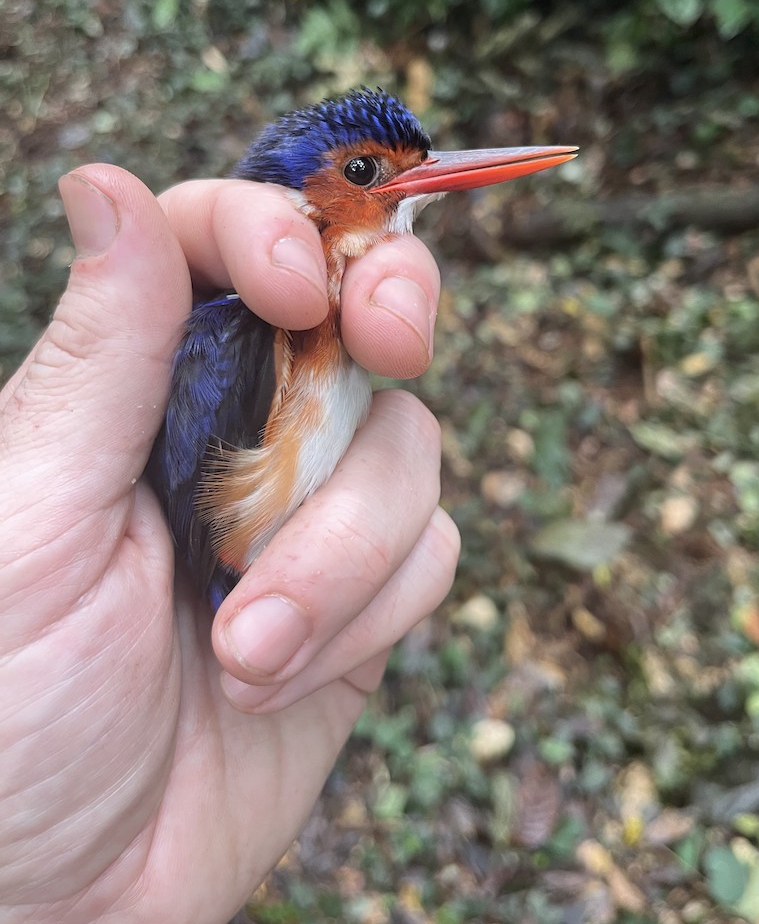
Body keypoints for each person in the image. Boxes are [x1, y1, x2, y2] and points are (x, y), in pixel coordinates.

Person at [0, 164, 460, 924]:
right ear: (309, 192)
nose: (395, 183)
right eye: (367, 171)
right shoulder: (239, 328)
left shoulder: (332, 306)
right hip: (217, 585)